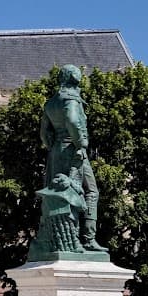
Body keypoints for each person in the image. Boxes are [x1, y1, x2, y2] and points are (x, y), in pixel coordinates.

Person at [39, 65, 107, 253]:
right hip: (73, 149)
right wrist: (81, 143)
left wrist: (53, 148)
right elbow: (72, 119)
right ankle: (87, 238)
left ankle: (63, 239)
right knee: (89, 191)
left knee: (62, 194)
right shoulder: (71, 99)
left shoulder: (51, 102)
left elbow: (44, 133)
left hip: (56, 151)